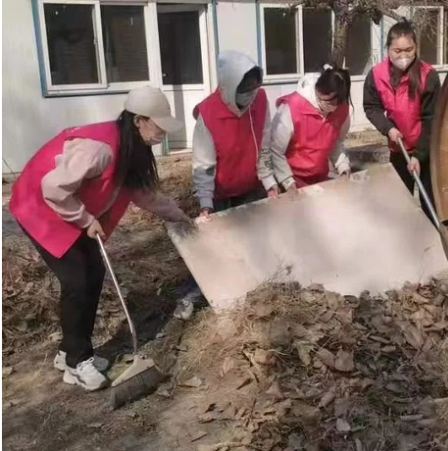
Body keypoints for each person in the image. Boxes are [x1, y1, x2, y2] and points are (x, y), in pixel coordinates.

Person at [9, 86, 192, 391]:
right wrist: (85, 220)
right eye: (159, 126)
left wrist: (178, 215)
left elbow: (143, 194)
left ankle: (69, 352)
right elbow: (52, 189)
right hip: (40, 207)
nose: (162, 133)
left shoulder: (133, 148)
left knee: (93, 272)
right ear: (139, 121)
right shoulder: (99, 149)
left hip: (73, 208)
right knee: (77, 280)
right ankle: (77, 362)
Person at [173, 51, 272, 320]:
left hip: (249, 184)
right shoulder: (209, 113)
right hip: (220, 191)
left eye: (254, 88)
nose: (250, 95)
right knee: (215, 246)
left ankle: (249, 283)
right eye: (245, 89)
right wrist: (206, 203)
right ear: (230, 86)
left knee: (251, 238)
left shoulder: (260, 101)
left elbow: (264, 143)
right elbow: (203, 165)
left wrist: (270, 181)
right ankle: (191, 294)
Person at [363, 19, 441, 224]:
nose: (403, 56)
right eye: (397, 51)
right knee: (400, 203)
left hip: (426, 150)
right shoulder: (376, 75)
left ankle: (433, 237)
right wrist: (388, 128)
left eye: (409, 49)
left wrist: (419, 156)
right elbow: (371, 107)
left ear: (416, 48)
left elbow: (431, 119)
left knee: (430, 202)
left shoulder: (428, 75)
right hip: (398, 149)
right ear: (388, 49)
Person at [259, 64, 352, 192]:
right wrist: (287, 181)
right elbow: (275, 150)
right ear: (318, 90)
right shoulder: (292, 108)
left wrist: (343, 166)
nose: (330, 107)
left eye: (334, 103)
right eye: (326, 101)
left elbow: (334, 142)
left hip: (319, 178)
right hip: (292, 179)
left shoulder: (340, 109)